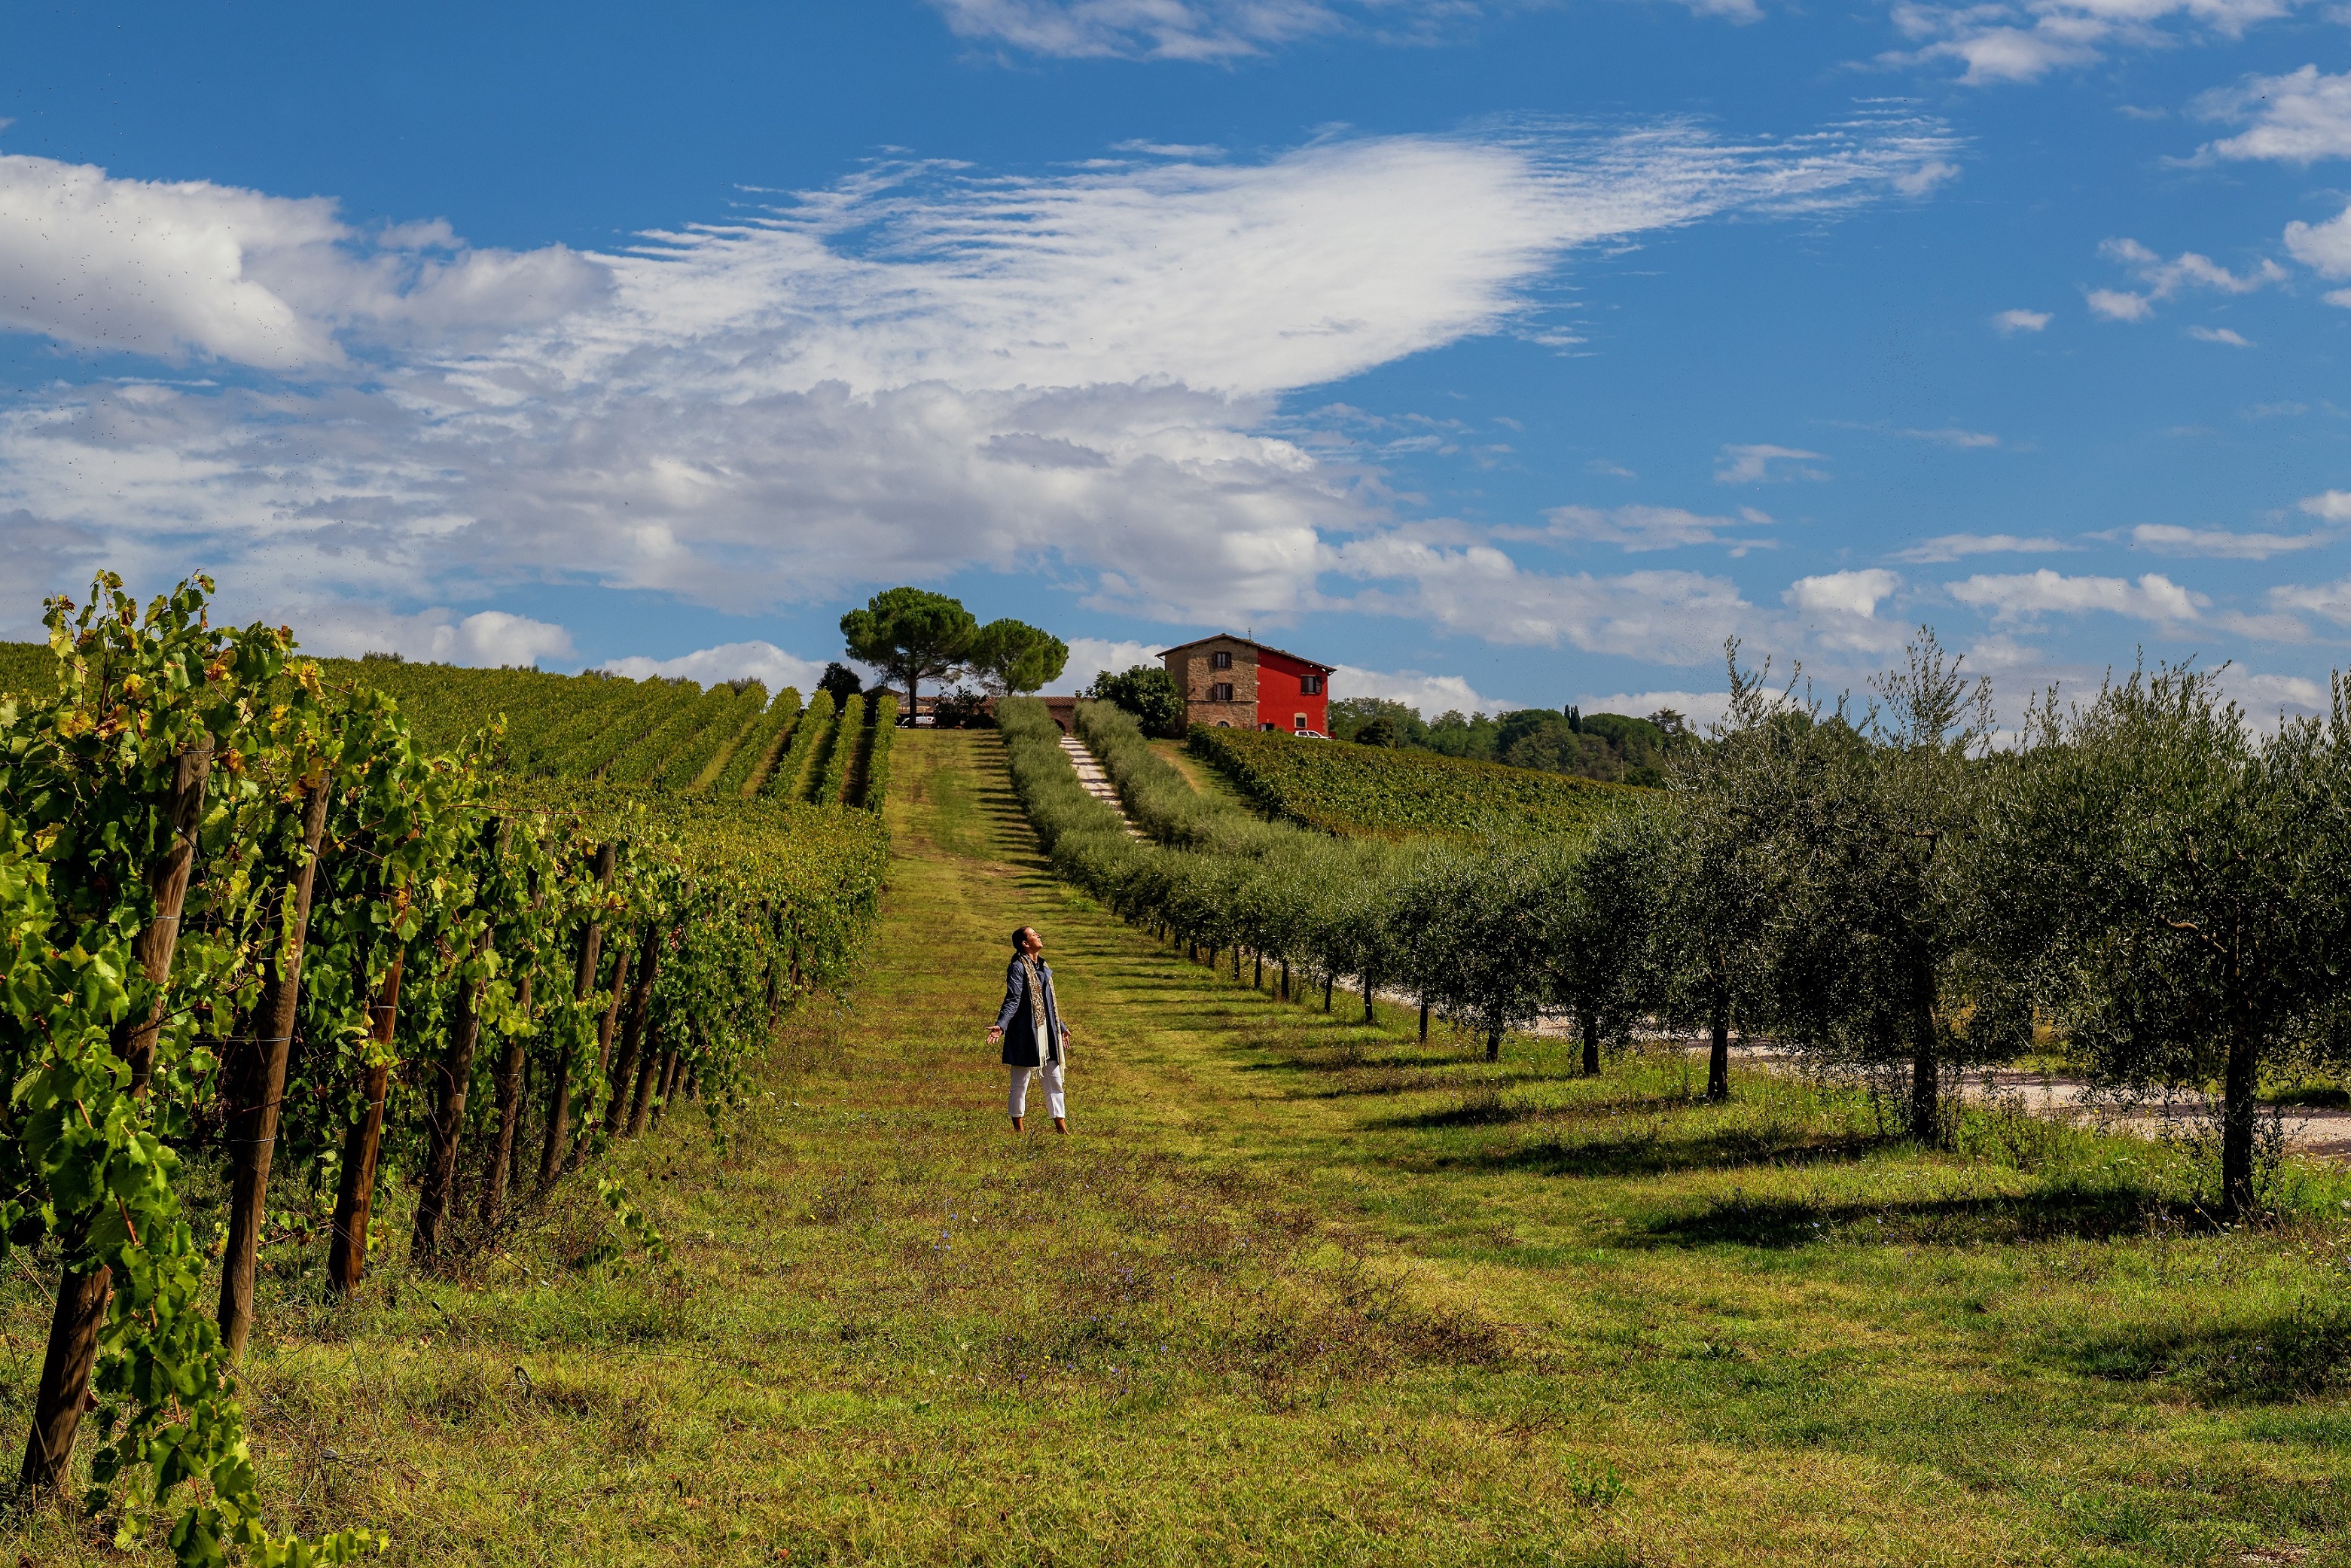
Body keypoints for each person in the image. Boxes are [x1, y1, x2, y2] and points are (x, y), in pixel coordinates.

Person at [988, 925, 1071, 1134]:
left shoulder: (1043, 966)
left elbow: (1048, 1003)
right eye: (1034, 935)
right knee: (1020, 1082)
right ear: (1025, 944)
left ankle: (1061, 1128)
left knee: (1054, 1080)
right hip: (1026, 1032)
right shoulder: (1017, 967)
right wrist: (1002, 1025)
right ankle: (1019, 1128)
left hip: (1047, 1032)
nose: (1039, 936)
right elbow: (1013, 999)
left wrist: (1060, 1027)